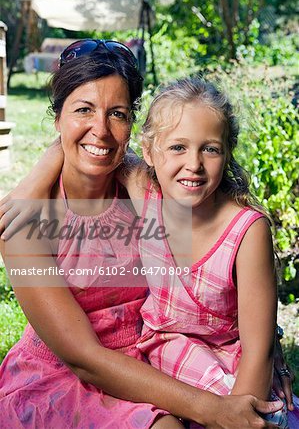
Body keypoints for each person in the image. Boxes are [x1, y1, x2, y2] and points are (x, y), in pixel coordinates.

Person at [0, 40, 290, 429]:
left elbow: (224, 252)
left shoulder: (143, 184)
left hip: (153, 358)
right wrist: (211, 409)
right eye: (82, 109)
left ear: (132, 125)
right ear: (57, 117)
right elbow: (83, 358)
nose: (100, 130)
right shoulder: (24, 223)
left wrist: (267, 348)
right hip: (70, 376)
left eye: (117, 114)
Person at [122, 77, 299, 428]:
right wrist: (31, 184)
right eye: (177, 148)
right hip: (165, 362)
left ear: (227, 152)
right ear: (148, 150)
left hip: (231, 365)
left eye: (210, 149)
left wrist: (237, 416)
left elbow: (258, 350)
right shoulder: (145, 190)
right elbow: (84, 141)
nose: (194, 164)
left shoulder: (247, 231)